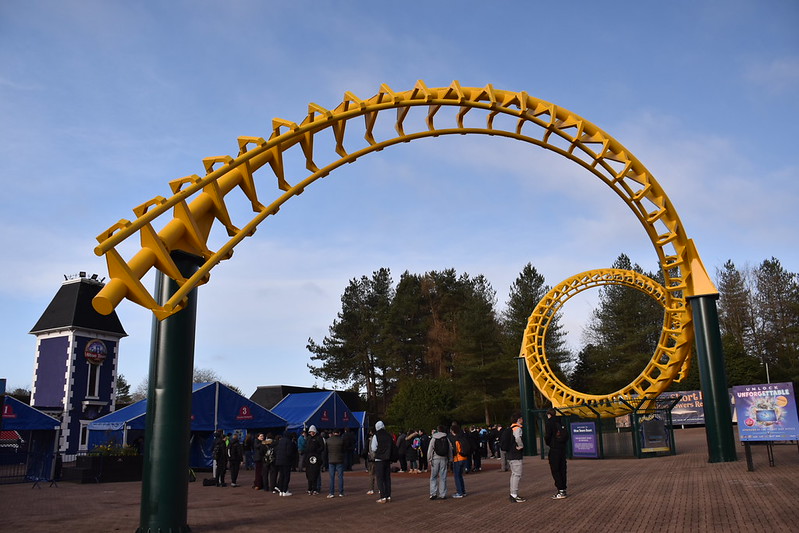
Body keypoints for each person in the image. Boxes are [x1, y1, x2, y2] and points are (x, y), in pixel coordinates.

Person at [544, 408, 569, 499]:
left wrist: (549, 443)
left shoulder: (549, 423)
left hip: (554, 448)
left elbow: (547, 436)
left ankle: (560, 489)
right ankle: (563, 489)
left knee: (555, 469)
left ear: (549, 415)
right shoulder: (561, 422)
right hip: (562, 448)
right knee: (562, 468)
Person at [371, 420, 394, 503]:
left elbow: (373, 448)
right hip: (387, 459)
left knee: (380, 478)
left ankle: (383, 497)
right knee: (387, 478)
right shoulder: (389, 435)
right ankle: (388, 496)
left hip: (379, 459)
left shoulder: (376, 435)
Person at [427, 424, 452, 500]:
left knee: (433, 477)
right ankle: (442, 494)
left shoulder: (433, 438)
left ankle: (433, 493)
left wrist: (429, 459)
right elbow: (450, 449)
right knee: (443, 477)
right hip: (444, 459)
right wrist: (450, 459)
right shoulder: (446, 438)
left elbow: (430, 450)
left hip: (435, 459)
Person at [506, 413, 526, 502]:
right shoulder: (517, 429)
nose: (522, 420)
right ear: (518, 419)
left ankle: (512, 493)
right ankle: (514, 495)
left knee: (514, 474)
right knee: (517, 474)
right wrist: (521, 445)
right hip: (516, 454)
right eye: (521, 418)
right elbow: (518, 438)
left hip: (510, 454)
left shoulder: (510, 428)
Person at [304, 425, 325, 495]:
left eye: (312, 432)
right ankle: (310, 488)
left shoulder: (319, 438)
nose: (311, 433)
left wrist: (316, 451)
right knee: (309, 474)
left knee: (316, 474)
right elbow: (306, 447)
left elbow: (322, 447)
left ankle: (316, 488)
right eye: (310, 432)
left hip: (316, 458)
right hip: (309, 458)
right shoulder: (308, 438)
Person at [275, 431, 297, 496]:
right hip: (286, 461)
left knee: (281, 475)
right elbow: (289, 453)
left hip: (279, 461)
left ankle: (281, 490)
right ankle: (285, 490)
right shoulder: (289, 442)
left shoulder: (280, 441)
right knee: (286, 476)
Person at [325, 428, 345, 497]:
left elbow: (326, 451)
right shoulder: (341, 440)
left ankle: (331, 492)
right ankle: (341, 492)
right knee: (340, 477)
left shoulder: (328, 440)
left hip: (331, 460)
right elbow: (344, 450)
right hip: (340, 460)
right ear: (339, 433)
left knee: (331, 477)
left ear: (333, 433)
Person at [450, 423, 468, 498]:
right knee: (460, 475)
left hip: (458, 458)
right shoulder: (463, 437)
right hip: (464, 457)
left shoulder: (455, 439)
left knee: (457, 476)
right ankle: (463, 491)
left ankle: (460, 492)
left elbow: (455, 450)